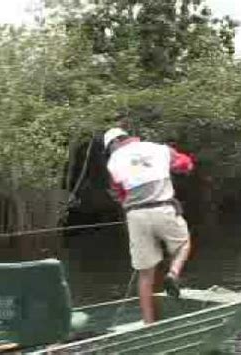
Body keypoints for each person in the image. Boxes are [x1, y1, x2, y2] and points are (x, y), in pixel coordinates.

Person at [104, 127, 195, 324]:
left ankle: (148, 323)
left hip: (136, 216)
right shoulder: (160, 149)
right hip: (163, 208)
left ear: (113, 144)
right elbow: (186, 164)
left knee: (145, 273)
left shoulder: (113, 161)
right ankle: (173, 273)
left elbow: (119, 193)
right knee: (183, 244)